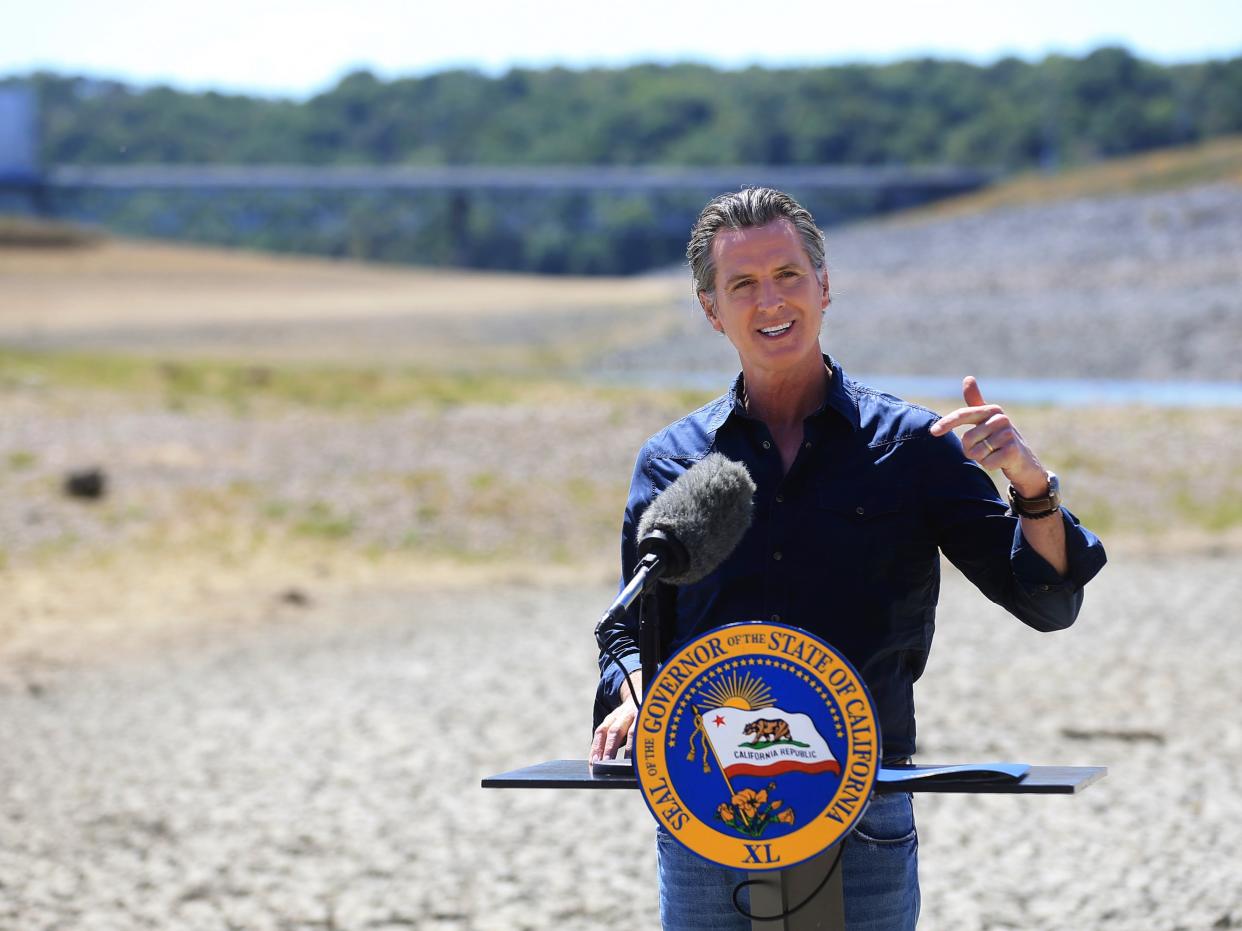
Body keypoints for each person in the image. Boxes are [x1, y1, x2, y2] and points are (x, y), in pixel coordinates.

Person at [589, 187, 1107, 930]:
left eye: (789, 275)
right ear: (711, 309)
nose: (771, 299)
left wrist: (1031, 486)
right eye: (743, 284)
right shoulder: (673, 460)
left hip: (860, 812)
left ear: (824, 286)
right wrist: (633, 692)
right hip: (703, 813)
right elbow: (627, 627)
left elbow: (1048, 599)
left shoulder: (912, 448)